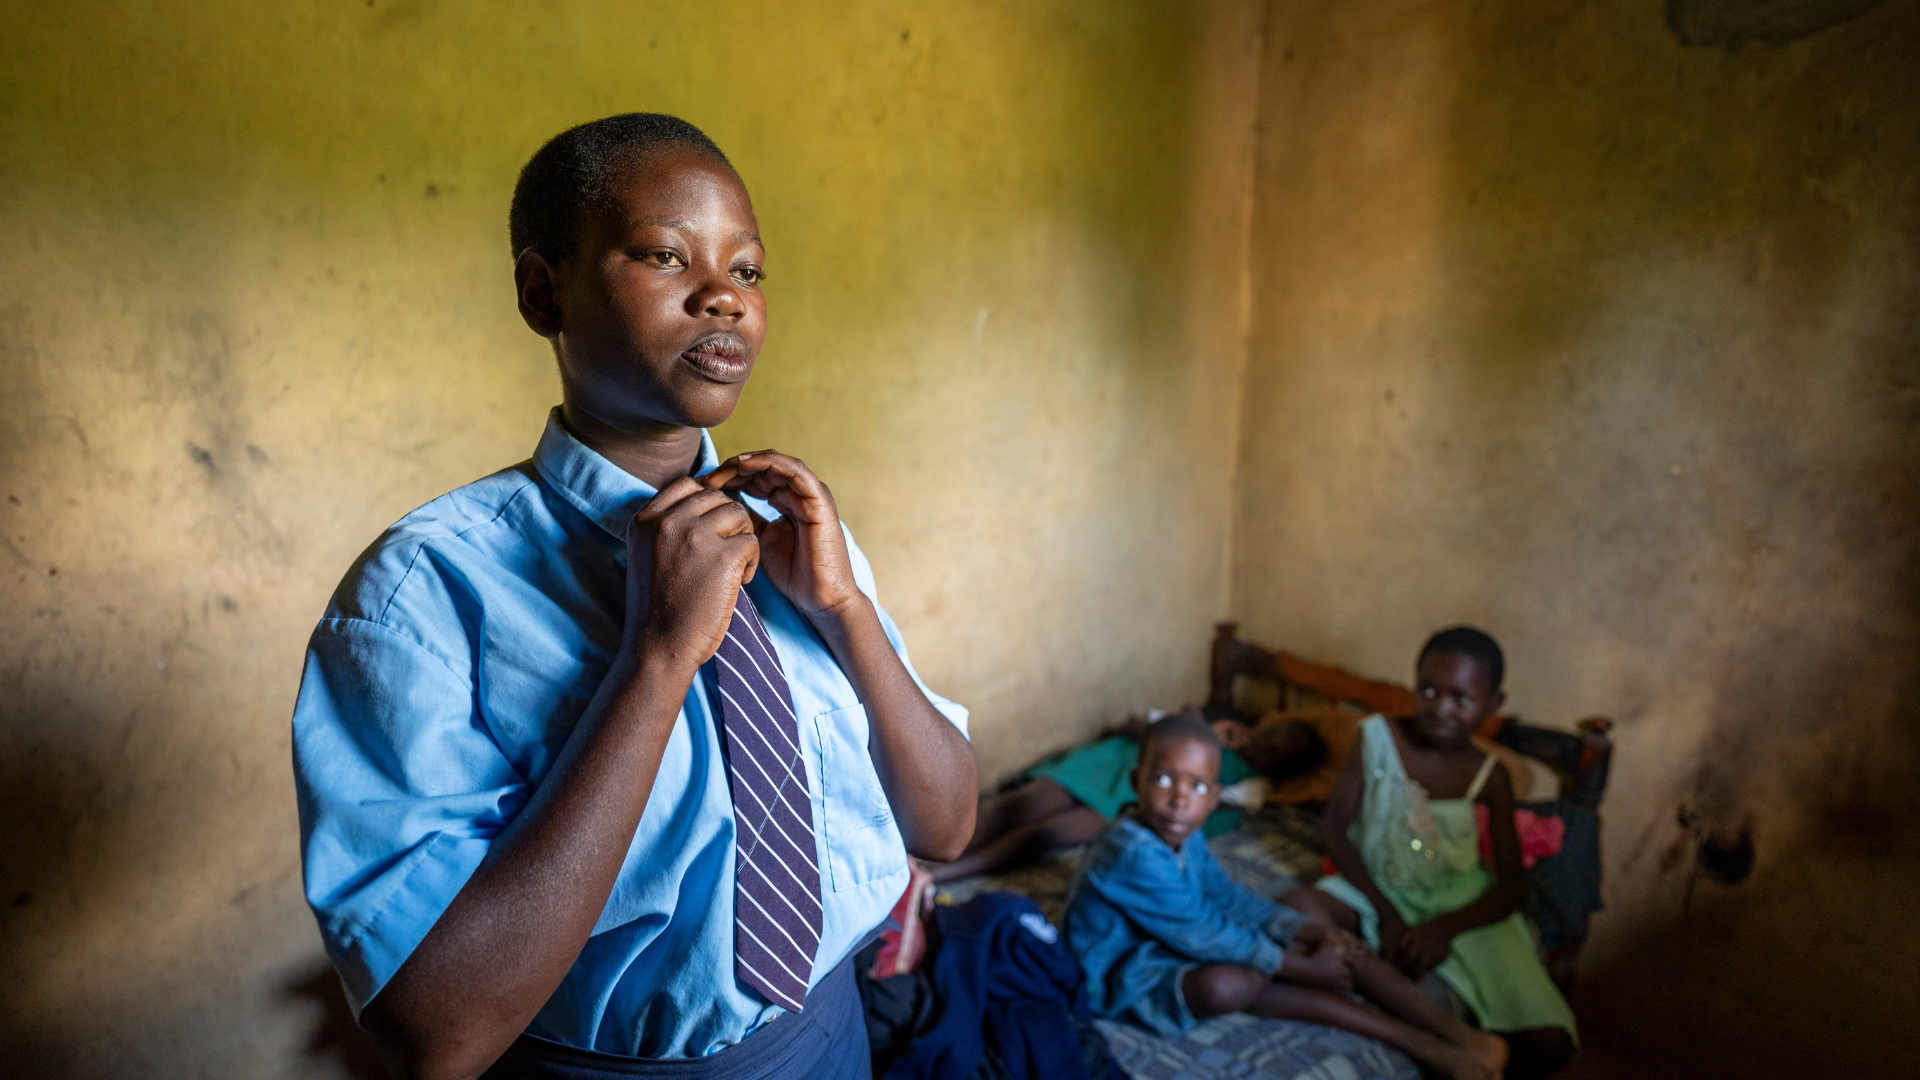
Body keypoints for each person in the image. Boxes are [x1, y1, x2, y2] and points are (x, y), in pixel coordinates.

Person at [290, 114, 978, 1080]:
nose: (724, 300)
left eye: (747, 271)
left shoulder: (792, 537)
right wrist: (656, 659)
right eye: (665, 255)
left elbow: (946, 827)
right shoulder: (423, 594)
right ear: (544, 291)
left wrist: (847, 616)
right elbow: (436, 1035)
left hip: (830, 1036)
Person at [1064, 715, 1509, 1080]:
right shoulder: (1132, 849)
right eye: (1164, 779)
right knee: (1232, 982)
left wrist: (1307, 930)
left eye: (1198, 787)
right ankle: (1417, 1042)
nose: (1180, 799)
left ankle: (1455, 1036)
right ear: (1135, 781)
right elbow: (1200, 931)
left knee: (1314, 930)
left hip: (1169, 945)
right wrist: (1298, 966)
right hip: (1123, 974)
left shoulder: (1183, 834)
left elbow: (1226, 895)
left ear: (1216, 797)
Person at [1283, 628, 1578, 1079]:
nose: (1441, 708)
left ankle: (1464, 1037)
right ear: (1413, 684)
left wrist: (1442, 929)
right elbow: (1334, 831)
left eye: (1461, 698)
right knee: (1298, 910)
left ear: (1493, 704)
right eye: (1428, 690)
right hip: (1378, 886)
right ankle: (1445, 1031)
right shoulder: (1376, 739)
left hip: (1456, 903)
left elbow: (1513, 885)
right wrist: (1384, 912)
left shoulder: (1490, 776)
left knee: (1551, 1043)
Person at [929, 710, 1324, 884]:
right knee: (1024, 804)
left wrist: (1209, 744)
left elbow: (1199, 804)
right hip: (1122, 766)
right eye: (1273, 735)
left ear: (1286, 770)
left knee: (1047, 835)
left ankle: (940, 875)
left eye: (1281, 753)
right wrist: (1205, 726)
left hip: (1140, 800)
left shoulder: (1253, 787)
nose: (1267, 747)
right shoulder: (1220, 726)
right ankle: (923, 851)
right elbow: (1145, 728)